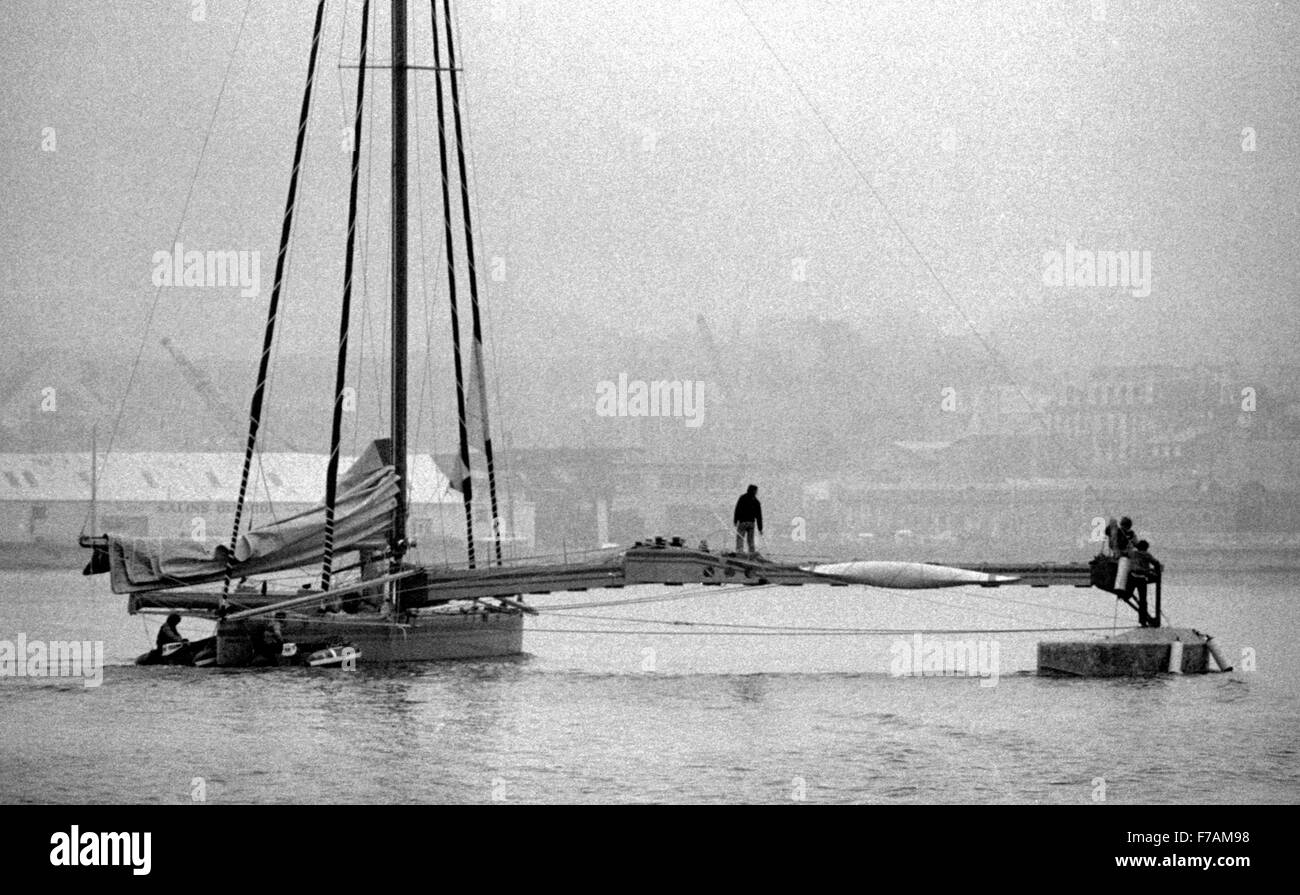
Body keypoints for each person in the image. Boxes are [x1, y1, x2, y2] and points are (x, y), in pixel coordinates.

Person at [1128, 539, 1161, 627]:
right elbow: (1156, 563)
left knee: (1127, 594)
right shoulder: (1146, 554)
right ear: (1146, 548)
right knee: (1143, 600)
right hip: (1141, 579)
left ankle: (1123, 595)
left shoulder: (1133, 554)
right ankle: (1142, 621)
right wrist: (1155, 570)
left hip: (1132, 577)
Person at [733, 484, 763, 556]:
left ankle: (739, 552)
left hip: (742, 522)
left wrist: (735, 520)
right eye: (756, 491)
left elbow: (737, 509)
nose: (757, 492)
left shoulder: (742, 498)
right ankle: (752, 553)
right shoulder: (756, 502)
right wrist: (760, 528)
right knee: (751, 540)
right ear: (754, 491)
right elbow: (759, 516)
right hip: (751, 523)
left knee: (740, 537)